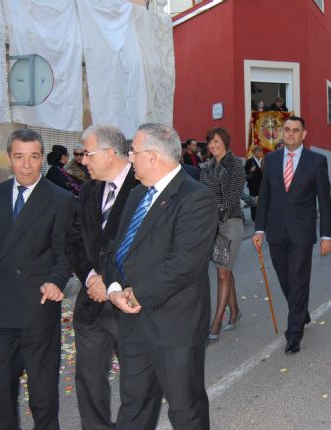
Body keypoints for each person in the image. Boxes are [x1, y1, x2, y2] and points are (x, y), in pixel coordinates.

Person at [105, 123, 217, 429]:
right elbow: (117, 249)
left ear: (152, 157)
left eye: (134, 153)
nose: (130, 159)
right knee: (134, 406)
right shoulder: (136, 194)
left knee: (185, 410)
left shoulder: (196, 198)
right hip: (133, 322)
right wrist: (114, 287)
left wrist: (136, 294)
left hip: (174, 326)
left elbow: (184, 264)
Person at [0, 129, 75, 429]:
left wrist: (56, 281)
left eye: (34, 157)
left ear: (42, 159)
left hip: (37, 312)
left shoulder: (60, 199)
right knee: (0, 393)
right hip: (1, 314)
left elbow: (65, 253)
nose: (27, 165)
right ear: (8, 159)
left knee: (42, 398)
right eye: (19, 157)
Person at [66, 124, 139, 430]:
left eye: (88, 153)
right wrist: (90, 277)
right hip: (92, 306)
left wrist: (109, 283)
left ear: (110, 154)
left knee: (137, 384)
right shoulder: (89, 190)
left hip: (129, 304)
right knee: (89, 380)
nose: (83, 161)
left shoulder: (143, 187)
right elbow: (73, 239)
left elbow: (143, 248)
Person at [253, 116, 331, 354]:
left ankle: (294, 334)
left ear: (303, 134)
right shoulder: (272, 159)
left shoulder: (317, 161)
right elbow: (264, 196)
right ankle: (302, 312)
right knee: (285, 278)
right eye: (286, 130)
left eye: (295, 131)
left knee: (298, 279)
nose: (290, 134)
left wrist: (326, 236)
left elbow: (324, 201)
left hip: (302, 231)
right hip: (277, 231)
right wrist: (259, 229)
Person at [199, 127, 245, 341]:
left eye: (216, 141)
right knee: (224, 268)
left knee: (222, 273)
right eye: (210, 142)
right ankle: (235, 313)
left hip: (230, 221)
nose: (213, 145)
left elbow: (234, 195)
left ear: (225, 142)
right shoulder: (206, 166)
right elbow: (201, 193)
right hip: (211, 224)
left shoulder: (235, 164)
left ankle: (216, 322)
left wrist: (217, 213)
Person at [245, 145, 264, 221]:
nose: (258, 153)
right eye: (256, 151)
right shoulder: (250, 161)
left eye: (259, 151)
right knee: (253, 201)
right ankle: (254, 217)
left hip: (262, 184)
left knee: (262, 201)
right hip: (253, 185)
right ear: (254, 152)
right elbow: (245, 171)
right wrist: (251, 170)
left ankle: (261, 215)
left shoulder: (264, 160)